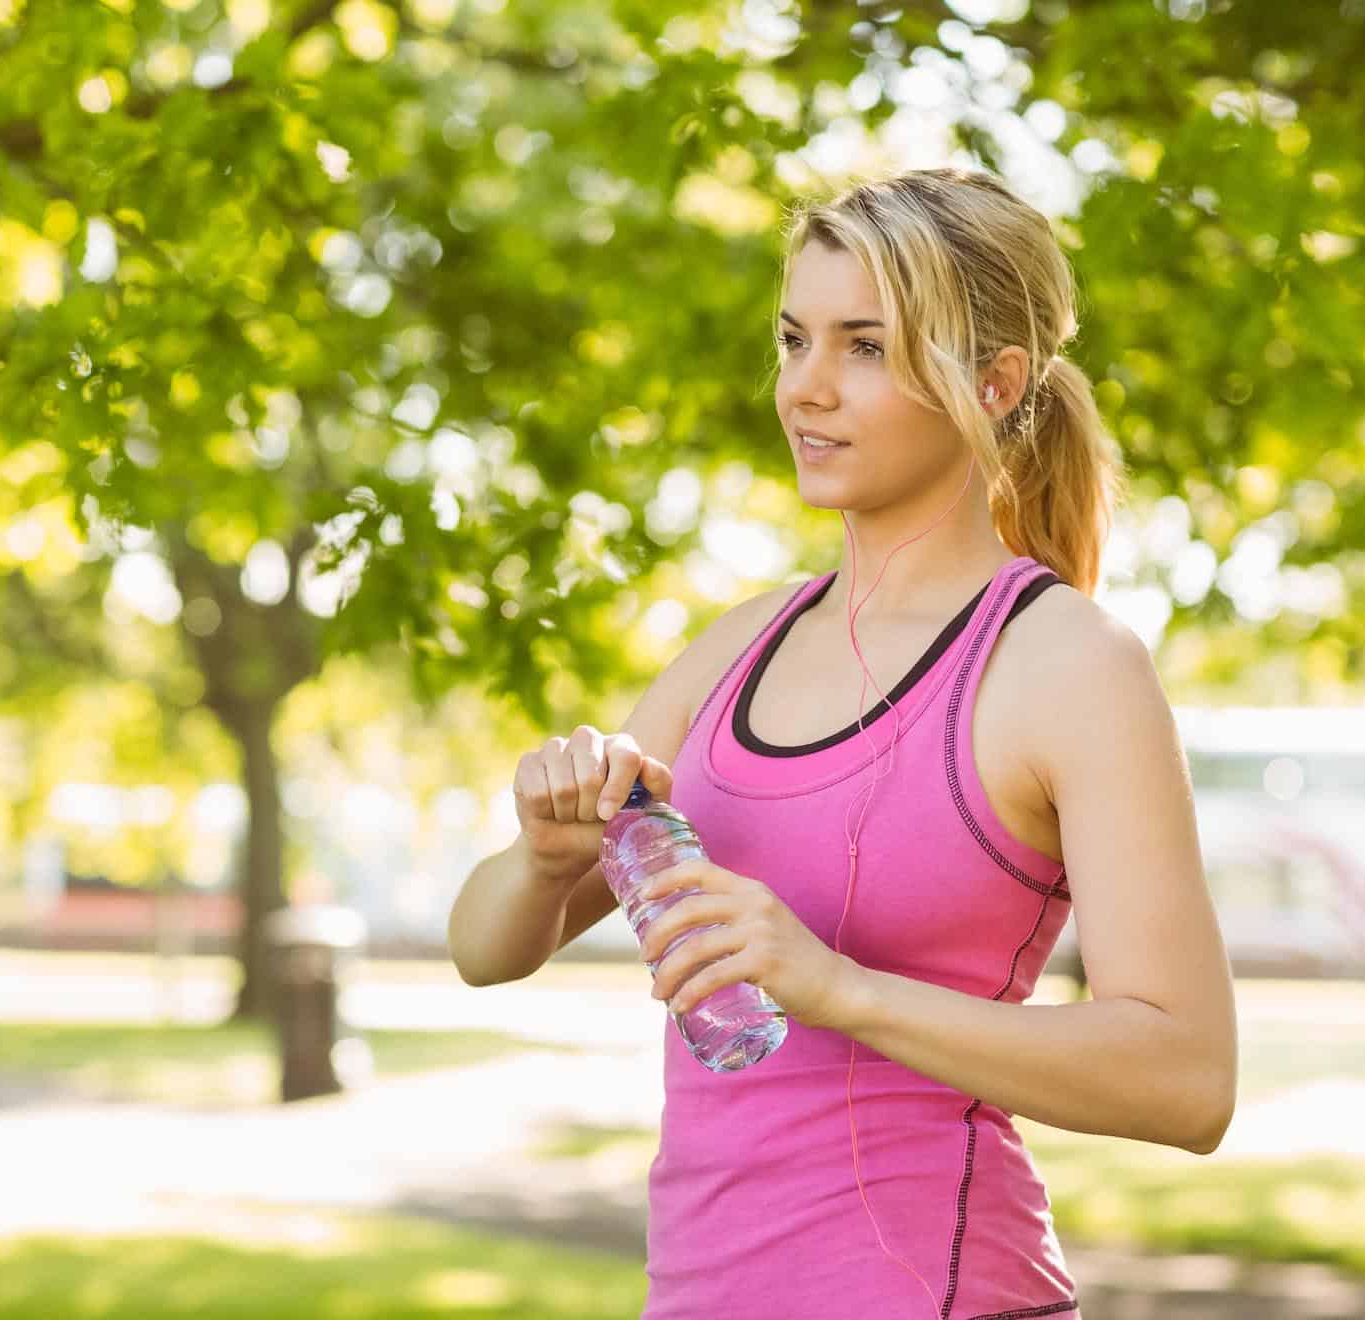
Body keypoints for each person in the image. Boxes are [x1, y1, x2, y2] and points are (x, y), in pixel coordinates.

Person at [447, 166, 1237, 1319]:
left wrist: (836, 988)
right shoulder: (736, 650)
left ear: (993, 380)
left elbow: (1188, 1080)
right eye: (793, 338)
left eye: (864, 346)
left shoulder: (1069, 665)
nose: (806, 389)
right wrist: (544, 854)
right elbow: (482, 950)